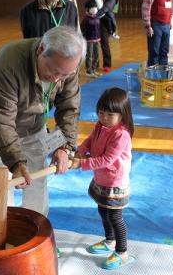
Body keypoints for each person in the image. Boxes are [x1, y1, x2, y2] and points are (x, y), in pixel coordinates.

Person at [0, 26, 85, 216]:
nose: (57, 78)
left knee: (37, 180)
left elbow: (69, 108)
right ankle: (5, 233)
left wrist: (65, 147)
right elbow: (1, 121)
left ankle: (35, 231)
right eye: (53, 71)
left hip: (34, 126)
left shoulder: (69, 66)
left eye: (64, 75)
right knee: (4, 185)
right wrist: (16, 163)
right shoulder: (7, 64)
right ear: (40, 50)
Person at [70, 87, 135, 270]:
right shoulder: (100, 125)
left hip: (115, 183)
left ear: (122, 115)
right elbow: (90, 140)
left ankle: (122, 252)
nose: (104, 117)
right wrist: (81, 151)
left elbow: (107, 159)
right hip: (101, 179)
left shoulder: (121, 134)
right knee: (102, 211)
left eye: (109, 114)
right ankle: (110, 241)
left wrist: (80, 164)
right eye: (101, 113)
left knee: (115, 217)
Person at [141, 0, 173, 67]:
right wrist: (147, 26)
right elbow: (146, 8)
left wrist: (170, 20)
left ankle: (163, 74)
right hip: (155, 24)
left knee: (164, 51)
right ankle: (153, 76)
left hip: (166, 24)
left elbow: (171, 5)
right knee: (154, 51)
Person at [87, 0, 118, 72]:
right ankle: (94, 64)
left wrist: (95, 15)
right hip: (95, 21)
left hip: (104, 22)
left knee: (104, 43)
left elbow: (105, 8)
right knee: (94, 43)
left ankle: (107, 64)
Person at [81, 0, 101, 78]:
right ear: (88, 9)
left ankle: (93, 70)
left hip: (97, 39)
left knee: (96, 55)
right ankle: (89, 71)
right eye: (92, 7)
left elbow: (99, 28)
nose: (94, 9)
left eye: (95, 7)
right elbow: (82, 29)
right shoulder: (86, 19)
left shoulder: (97, 17)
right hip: (89, 40)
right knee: (89, 55)